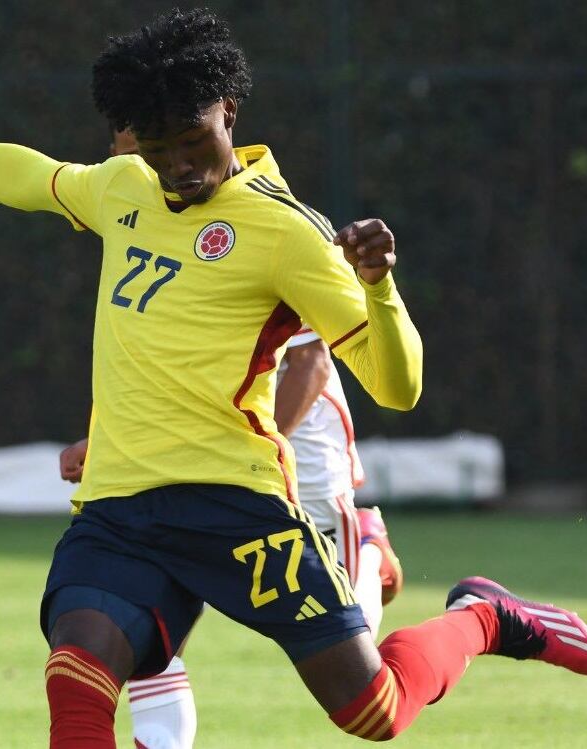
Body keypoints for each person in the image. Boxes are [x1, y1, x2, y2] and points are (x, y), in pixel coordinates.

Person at [0, 9, 587, 746]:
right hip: (119, 509)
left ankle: (485, 618)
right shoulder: (124, 187)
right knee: (76, 681)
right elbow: (28, 175)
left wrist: (378, 286)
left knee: (374, 712)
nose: (178, 167)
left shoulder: (287, 232)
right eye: (158, 151)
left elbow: (398, 388)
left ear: (229, 110)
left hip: (235, 507)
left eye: (193, 142)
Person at [60, 126, 405, 742]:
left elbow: (311, 362)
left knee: (364, 694)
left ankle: (373, 553)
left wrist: (239, 449)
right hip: (183, 482)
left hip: (298, 471)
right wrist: (111, 442)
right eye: (123, 145)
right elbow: (154, 363)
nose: (125, 159)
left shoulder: (265, 225)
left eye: (137, 144)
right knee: (142, 643)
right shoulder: (137, 211)